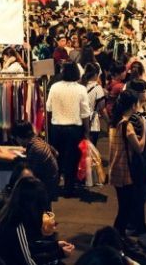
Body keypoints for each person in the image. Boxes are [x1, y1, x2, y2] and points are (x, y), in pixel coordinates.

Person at [0, 177, 73, 265]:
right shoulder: (16, 225)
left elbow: (28, 247)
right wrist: (59, 254)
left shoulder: (9, 214)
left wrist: (55, 245)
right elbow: (30, 262)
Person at [108, 90, 146, 248]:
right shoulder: (127, 125)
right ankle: (115, 238)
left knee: (124, 206)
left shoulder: (115, 122)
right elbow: (139, 148)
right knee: (125, 209)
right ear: (133, 105)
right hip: (126, 171)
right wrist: (144, 128)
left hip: (116, 169)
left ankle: (119, 237)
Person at [46, 62, 90, 197]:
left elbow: (48, 109)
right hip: (74, 129)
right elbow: (85, 113)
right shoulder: (81, 89)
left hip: (56, 128)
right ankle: (68, 189)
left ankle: (53, 187)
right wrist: (87, 132)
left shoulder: (54, 87)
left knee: (56, 159)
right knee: (72, 160)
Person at [11, 122, 59, 203]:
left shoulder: (35, 148)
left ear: (20, 137)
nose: (16, 141)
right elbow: (56, 153)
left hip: (45, 184)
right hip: (52, 179)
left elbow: (31, 172)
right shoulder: (38, 140)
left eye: (16, 138)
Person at [81, 63, 106, 145]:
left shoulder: (80, 86)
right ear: (96, 74)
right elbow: (102, 108)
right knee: (90, 151)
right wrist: (109, 121)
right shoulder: (98, 88)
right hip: (92, 124)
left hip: (79, 122)